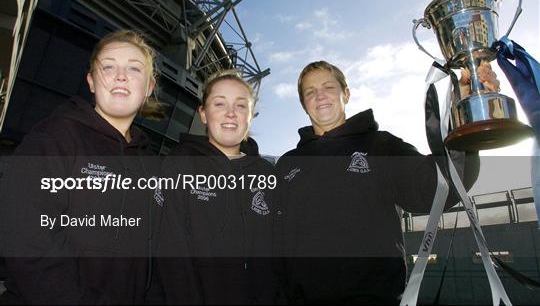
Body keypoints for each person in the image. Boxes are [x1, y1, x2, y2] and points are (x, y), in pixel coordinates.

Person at [273, 60, 499, 304]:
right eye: (310, 92)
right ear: (303, 104)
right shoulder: (287, 164)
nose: (320, 96)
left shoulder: (381, 146)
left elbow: (436, 186)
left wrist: (464, 115)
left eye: (328, 87)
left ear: (345, 94)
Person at [0, 30, 162, 304]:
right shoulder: (55, 137)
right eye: (108, 66)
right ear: (91, 81)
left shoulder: (152, 167)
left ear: (148, 87)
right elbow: (25, 235)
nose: (120, 76)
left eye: (134, 68)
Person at [156, 70, 278, 304]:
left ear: (251, 115)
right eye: (219, 103)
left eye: (241, 106)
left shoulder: (266, 173)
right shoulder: (179, 164)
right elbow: (169, 254)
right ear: (203, 113)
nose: (231, 113)